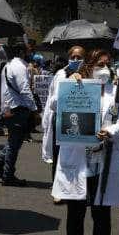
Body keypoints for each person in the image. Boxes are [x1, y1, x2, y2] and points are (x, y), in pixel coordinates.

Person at [49, 49, 119, 235]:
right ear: (89, 66)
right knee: (75, 214)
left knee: (102, 215)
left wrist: (111, 131)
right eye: (99, 64)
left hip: (102, 159)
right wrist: (69, 85)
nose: (104, 69)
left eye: (108, 64)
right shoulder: (77, 85)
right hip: (77, 160)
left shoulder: (118, 93)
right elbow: (54, 105)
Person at [0, 42, 37, 186]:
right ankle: (8, 175)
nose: (32, 54)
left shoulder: (9, 65)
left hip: (9, 108)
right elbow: (24, 89)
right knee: (14, 143)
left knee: (14, 141)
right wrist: (34, 109)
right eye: (30, 51)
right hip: (17, 108)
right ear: (22, 52)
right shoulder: (19, 67)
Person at [42, 46, 86, 175]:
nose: (76, 60)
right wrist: (70, 83)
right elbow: (54, 103)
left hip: (82, 120)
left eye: (79, 57)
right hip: (63, 120)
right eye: (73, 57)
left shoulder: (88, 74)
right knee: (60, 154)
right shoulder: (62, 74)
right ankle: (57, 186)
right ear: (68, 58)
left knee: (77, 155)